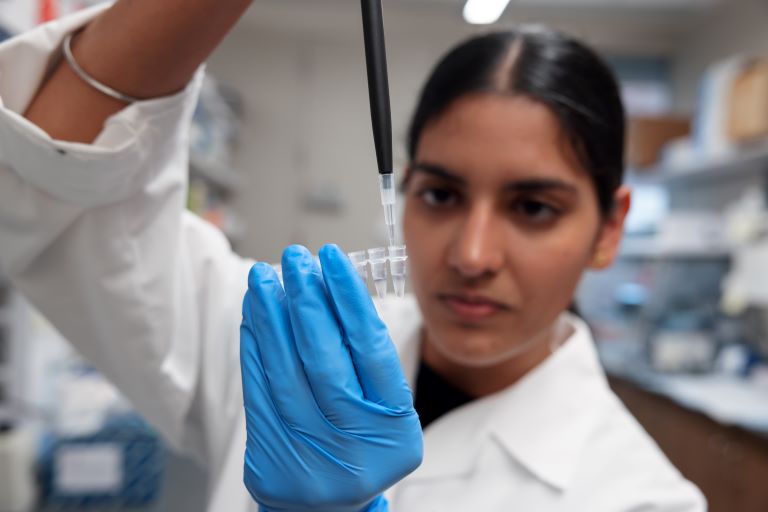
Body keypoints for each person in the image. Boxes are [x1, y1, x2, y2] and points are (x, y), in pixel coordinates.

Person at [0, 1, 706, 511]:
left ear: (609, 228)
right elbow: (64, 178)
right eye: (440, 194)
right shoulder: (283, 351)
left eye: (532, 208)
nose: (471, 253)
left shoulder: (639, 498)